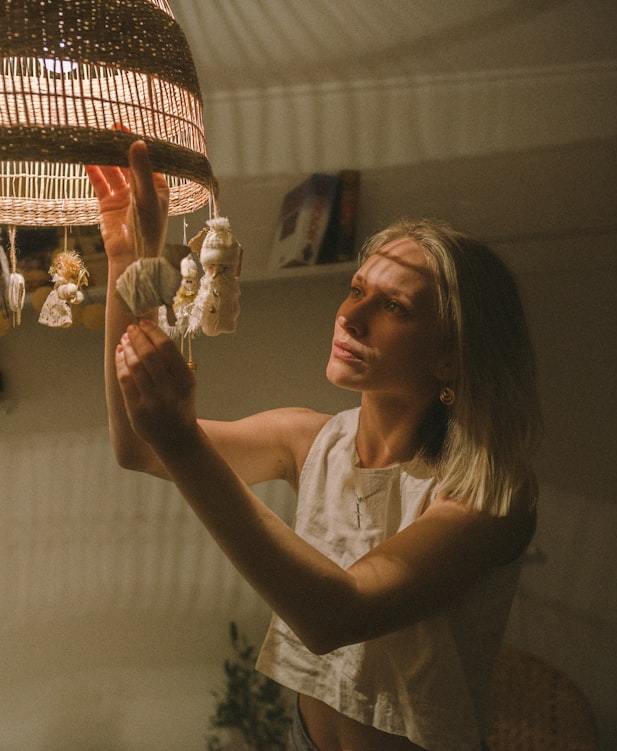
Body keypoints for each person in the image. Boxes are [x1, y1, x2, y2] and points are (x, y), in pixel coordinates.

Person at [88, 142, 541, 751]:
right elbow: (138, 449)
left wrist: (184, 442)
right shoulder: (310, 439)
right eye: (356, 289)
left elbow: (336, 615)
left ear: (453, 356)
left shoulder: (488, 493)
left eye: (395, 307)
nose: (352, 317)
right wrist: (124, 258)